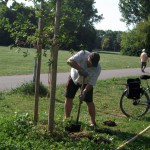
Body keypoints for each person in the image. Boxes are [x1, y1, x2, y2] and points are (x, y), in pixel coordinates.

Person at [64, 50, 101, 127]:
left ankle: (92, 122)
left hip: (86, 83)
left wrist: (84, 93)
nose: (92, 66)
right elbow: (69, 61)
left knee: (89, 101)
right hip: (73, 78)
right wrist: (80, 69)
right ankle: (67, 119)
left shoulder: (97, 68)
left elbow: (91, 83)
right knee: (69, 98)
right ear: (88, 58)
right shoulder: (83, 54)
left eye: (94, 65)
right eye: (91, 64)